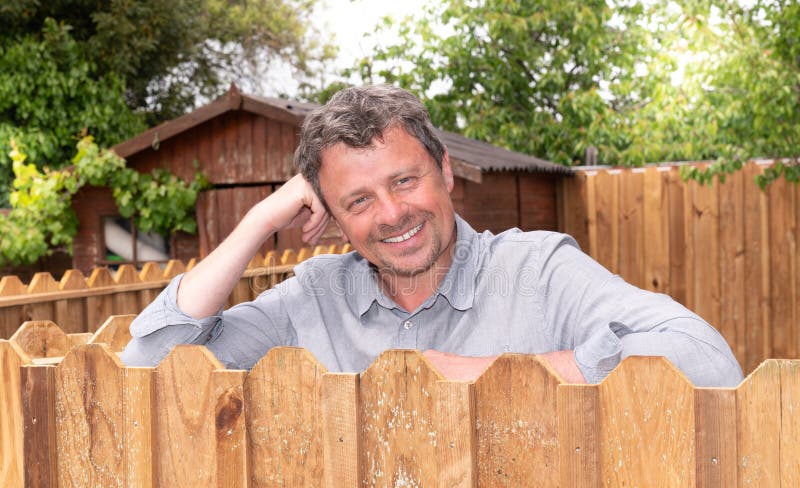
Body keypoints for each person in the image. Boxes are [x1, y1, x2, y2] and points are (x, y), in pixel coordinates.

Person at [121, 85, 743, 386]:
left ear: (444, 170)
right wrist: (257, 221)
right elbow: (147, 367)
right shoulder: (313, 298)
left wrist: (496, 371)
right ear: (332, 218)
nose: (391, 213)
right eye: (358, 200)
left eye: (405, 180)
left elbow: (709, 359)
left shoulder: (537, 270)